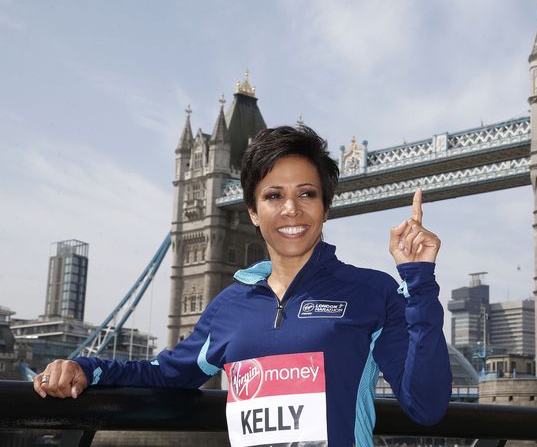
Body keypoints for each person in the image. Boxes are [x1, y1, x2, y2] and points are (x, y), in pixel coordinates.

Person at [33, 125, 452, 446]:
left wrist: (418, 280)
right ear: (252, 211)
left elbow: (426, 406)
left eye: (307, 193)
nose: (291, 209)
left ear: (326, 208)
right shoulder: (228, 307)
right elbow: (165, 374)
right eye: (273, 196)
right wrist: (86, 367)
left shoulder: (373, 293)